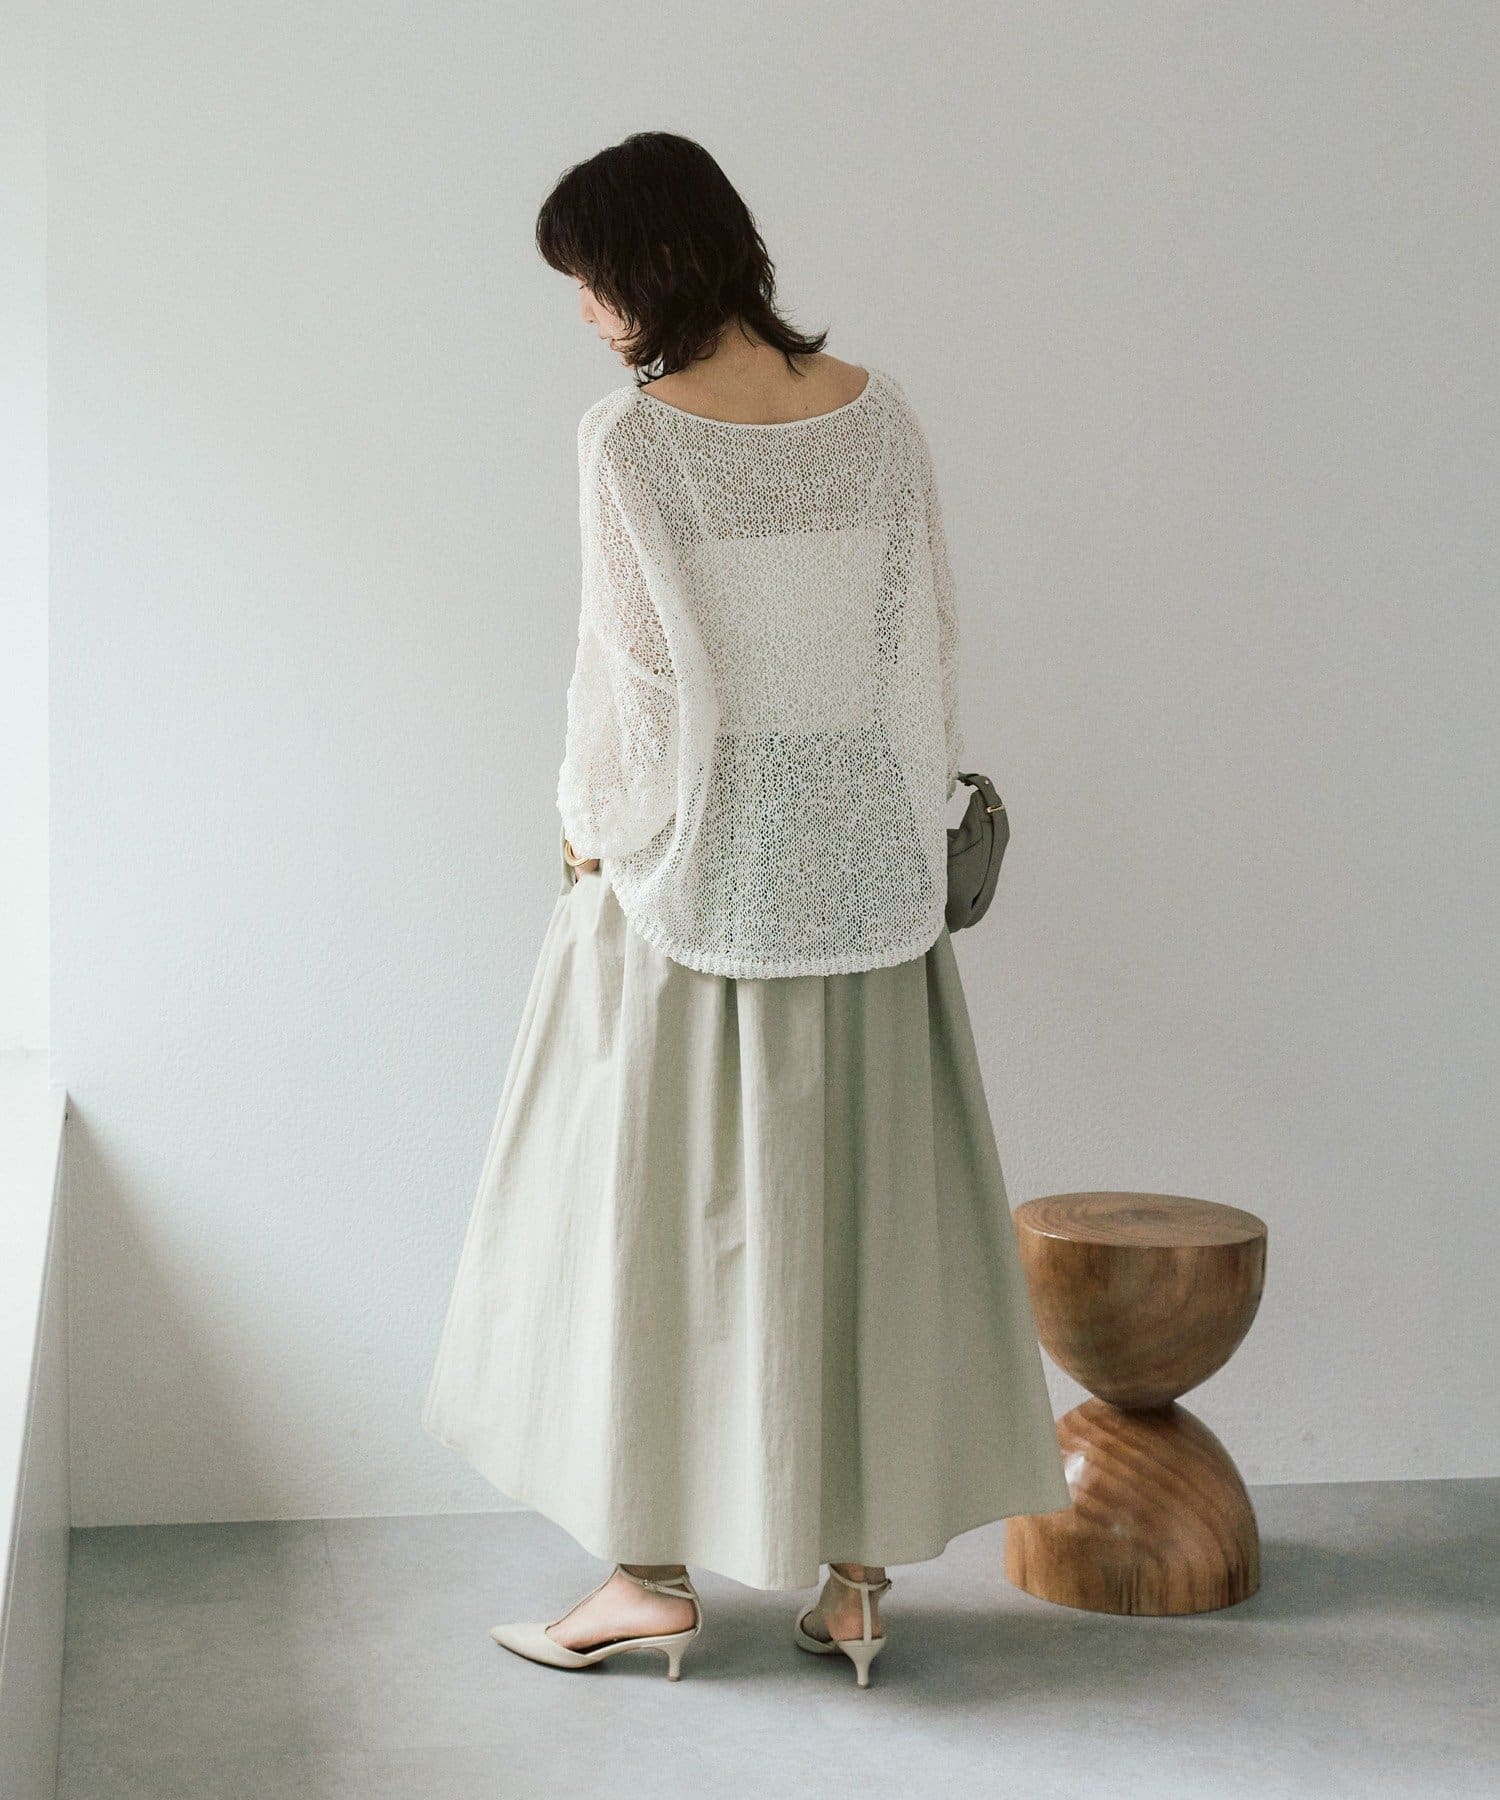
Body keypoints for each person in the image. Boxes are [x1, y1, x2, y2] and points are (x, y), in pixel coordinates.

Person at [421, 130, 1071, 1689]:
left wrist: (592, 837)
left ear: (647, 266)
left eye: (589, 279)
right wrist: (893, 836)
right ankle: (855, 1585)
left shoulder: (631, 442)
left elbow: (637, 686)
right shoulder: (877, 411)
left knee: (650, 1221)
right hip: (865, 864)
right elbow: (918, 644)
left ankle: (647, 1577)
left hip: (701, 868)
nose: (585, 312)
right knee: (864, 1216)